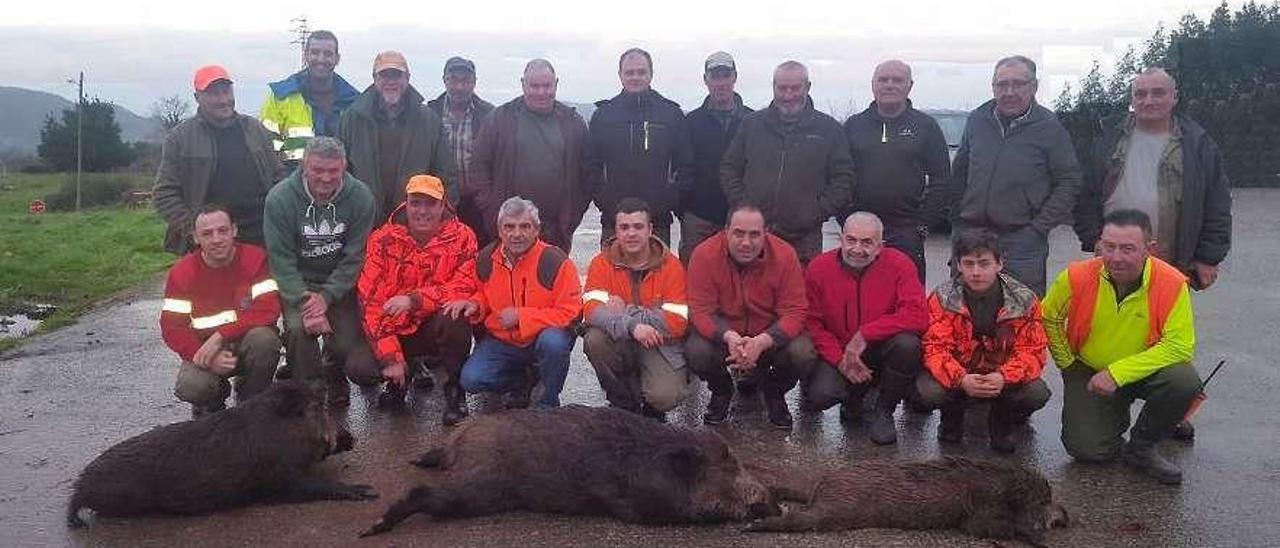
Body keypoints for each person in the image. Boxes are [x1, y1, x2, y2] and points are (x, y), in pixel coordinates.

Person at [1075, 68, 1232, 442]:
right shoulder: (1109, 137)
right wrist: (1092, 239)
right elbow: (1085, 193)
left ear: (1174, 97)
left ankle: (1168, 411)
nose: (1148, 100)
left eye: (1157, 93)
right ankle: (1111, 397)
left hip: (1170, 256)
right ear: (1132, 97)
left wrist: (1209, 256)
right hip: (1110, 254)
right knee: (1112, 330)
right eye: (1140, 93)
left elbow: (1217, 201)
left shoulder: (1197, 143)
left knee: (1169, 339)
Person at [1043, 209, 1201, 485]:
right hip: (1089, 369)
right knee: (1088, 451)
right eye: (1109, 247)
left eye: (1128, 249)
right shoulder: (1075, 276)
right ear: (1099, 244)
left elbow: (1179, 347)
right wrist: (1067, 363)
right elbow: (1048, 316)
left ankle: (1142, 446)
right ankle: (1112, 417)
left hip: (1143, 371)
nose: (1116, 257)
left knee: (1184, 381)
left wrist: (1117, 373)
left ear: (1149, 249)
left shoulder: (1172, 283)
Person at [950, 55, 1081, 295]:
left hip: (1022, 242)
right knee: (963, 313)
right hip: (971, 234)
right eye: (1002, 84)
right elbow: (959, 172)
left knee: (1021, 317)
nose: (1009, 91)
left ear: (1034, 87)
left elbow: (1069, 181)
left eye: (1018, 84)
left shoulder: (1050, 127)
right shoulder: (978, 120)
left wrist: (1038, 228)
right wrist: (958, 221)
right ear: (993, 87)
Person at [263, 136, 377, 405]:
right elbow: (281, 260)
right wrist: (307, 302)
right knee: (297, 331)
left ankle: (333, 368)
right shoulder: (279, 199)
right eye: (317, 170)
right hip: (299, 285)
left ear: (344, 166)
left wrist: (327, 297)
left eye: (333, 171)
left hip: (340, 284)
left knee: (346, 343)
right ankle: (309, 393)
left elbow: (355, 256)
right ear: (304, 166)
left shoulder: (361, 197)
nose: (325, 178)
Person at [356, 175, 478, 424]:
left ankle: (455, 390)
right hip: (394, 328)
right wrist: (390, 358)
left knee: (456, 317)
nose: (422, 211)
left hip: (435, 325)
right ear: (406, 204)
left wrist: (414, 300)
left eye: (431, 204)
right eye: (416, 203)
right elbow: (370, 302)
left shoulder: (464, 236)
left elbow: (464, 285)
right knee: (360, 368)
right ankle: (399, 379)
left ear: (443, 206)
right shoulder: (382, 239)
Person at [916, 228, 1050, 453]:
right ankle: (952, 417)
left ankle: (1002, 422)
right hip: (961, 373)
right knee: (927, 391)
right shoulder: (942, 298)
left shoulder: (1025, 300)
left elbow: (1032, 351)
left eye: (984, 263)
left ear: (999, 264)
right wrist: (962, 379)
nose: (976, 272)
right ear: (958, 265)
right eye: (968, 264)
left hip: (1001, 375)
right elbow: (934, 348)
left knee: (1036, 392)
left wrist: (1003, 377)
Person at [800, 212, 927, 445]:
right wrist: (840, 360)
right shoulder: (819, 268)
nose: (857, 249)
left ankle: (884, 411)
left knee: (908, 345)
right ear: (841, 238)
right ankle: (854, 398)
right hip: (838, 350)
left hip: (881, 348)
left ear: (880, 246)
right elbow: (811, 323)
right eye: (851, 240)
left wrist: (866, 334)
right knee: (820, 396)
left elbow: (918, 315)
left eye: (867, 242)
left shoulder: (900, 264)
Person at [686, 205, 811, 429]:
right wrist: (730, 337)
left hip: (769, 337)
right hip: (726, 337)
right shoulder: (704, 255)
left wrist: (763, 341)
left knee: (803, 352)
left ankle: (774, 392)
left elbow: (795, 311)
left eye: (754, 234)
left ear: (766, 233)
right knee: (696, 351)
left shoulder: (785, 255)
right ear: (726, 231)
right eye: (738, 233)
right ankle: (722, 390)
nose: (746, 242)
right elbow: (701, 310)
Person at [452, 197, 582, 409]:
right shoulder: (485, 260)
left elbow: (571, 312)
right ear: (500, 230)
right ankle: (524, 383)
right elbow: (483, 294)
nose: (516, 234)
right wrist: (475, 304)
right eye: (509, 227)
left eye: (524, 226)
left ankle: (547, 402)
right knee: (471, 380)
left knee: (554, 344)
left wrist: (522, 317)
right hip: (504, 341)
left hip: (542, 339)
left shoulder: (555, 261)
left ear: (536, 229)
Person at [721, 60, 854, 265]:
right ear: (773, 87)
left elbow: (843, 179)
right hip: (754, 235)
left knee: (798, 295)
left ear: (808, 87)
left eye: (795, 88)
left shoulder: (828, 129)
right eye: (782, 88)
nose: (788, 95)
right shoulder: (752, 124)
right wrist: (744, 206)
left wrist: (816, 212)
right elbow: (729, 168)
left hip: (803, 239)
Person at [160, 204, 281, 417]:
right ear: (196, 238)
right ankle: (212, 404)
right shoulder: (182, 273)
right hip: (205, 348)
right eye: (207, 233)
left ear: (234, 230)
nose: (216, 239)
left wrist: (220, 335)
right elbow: (172, 328)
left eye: (223, 230)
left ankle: (251, 403)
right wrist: (202, 356)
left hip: (247, 343)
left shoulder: (256, 260)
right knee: (192, 386)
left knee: (266, 341)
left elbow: (268, 310)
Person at [582, 198, 697, 422]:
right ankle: (624, 404)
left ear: (650, 229)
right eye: (624, 227)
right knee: (594, 339)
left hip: (659, 344)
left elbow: (677, 322)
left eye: (638, 226)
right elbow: (592, 311)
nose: (631, 233)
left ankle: (653, 408)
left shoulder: (671, 266)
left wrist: (625, 311)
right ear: (615, 230)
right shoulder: (601, 263)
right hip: (620, 339)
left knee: (665, 397)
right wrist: (633, 326)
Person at [155, 64, 284, 253]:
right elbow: (164, 194)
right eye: (214, 94)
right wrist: (195, 230)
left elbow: (278, 177)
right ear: (197, 97)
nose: (224, 100)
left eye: (226, 91)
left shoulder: (255, 129)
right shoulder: (180, 138)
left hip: (261, 237)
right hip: (213, 244)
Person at [470, 59, 595, 251]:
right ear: (523, 84)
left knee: (554, 279)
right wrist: (492, 212)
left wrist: (573, 216)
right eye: (534, 86)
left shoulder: (573, 123)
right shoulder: (500, 118)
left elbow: (588, 174)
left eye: (547, 86)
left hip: (556, 230)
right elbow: (478, 167)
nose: (541, 92)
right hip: (511, 229)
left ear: (556, 84)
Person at [843, 59, 951, 281]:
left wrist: (923, 224)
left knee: (906, 297)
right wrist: (845, 217)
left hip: (906, 230)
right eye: (883, 80)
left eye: (897, 80)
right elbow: (838, 175)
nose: (889, 85)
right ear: (873, 85)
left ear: (910, 85)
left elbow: (942, 179)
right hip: (860, 229)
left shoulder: (925, 126)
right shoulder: (854, 126)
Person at [588, 48, 694, 246]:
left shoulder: (670, 113)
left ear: (651, 74)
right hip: (615, 221)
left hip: (658, 221)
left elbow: (685, 165)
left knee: (656, 276)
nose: (635, 77)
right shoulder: (604, 115)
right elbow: (590, 165)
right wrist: (605, 201)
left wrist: (668, 201)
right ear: (620, 75)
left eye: (641, 72)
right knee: (612, 275)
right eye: (629, 72)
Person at [339, 50, 454, 221]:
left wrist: (442, 217)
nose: (391, 82)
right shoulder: (352, 118)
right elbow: (340, 170)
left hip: (414, 222)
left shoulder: (429, 120)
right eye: (384, 75)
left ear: (407, 78)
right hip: (362, 219)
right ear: (374, 79)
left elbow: (444, 174)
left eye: (397, 75)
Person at [680, 51, 752, 264]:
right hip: (699, 219)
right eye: (715, 76)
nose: (721, 83)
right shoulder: (690, 122)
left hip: (742, 219)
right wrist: (684, 208)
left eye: (725, 75)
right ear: (706, 80)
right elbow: (681, 167)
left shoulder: (753, 121)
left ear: (735, 77)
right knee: (695, 278)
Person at [260, 30, 360, 165]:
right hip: (292, 182)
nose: (321, 59)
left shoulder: (353, 101)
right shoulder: (281, 97)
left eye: (328, 54)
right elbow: (266, 151)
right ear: (306, 55)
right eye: (315, 52)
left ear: (337, 59)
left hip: (339, 182)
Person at [427, 56, 494, 241]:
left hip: (478, 203)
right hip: (440, 202)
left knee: (480, 255)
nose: (459, 86)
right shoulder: (429, 113)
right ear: (444, 80)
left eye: (465, 81)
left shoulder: (490, 115)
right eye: (454, 80)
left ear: (474, 82)